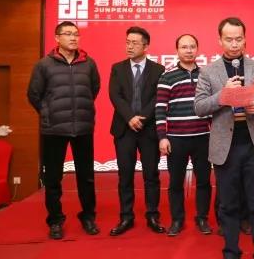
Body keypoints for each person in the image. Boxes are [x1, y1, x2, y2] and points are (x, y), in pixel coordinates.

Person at [194, 17, 254, 259]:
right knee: (228, 206)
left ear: (245, 39)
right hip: (225, 147)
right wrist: (223, 96)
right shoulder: (209, 72)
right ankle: (231, 254)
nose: (234, 44)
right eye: (229, 39)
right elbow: (199, 107)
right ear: (219, 40)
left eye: (238, 39)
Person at [27, 21, 101, 240]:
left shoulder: (88, 64)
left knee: (86, 177)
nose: (73, 37)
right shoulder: (44, 65)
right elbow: (33, 94)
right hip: (54, 129)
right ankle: (55, 220)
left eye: (76, 34)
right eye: (68, 34)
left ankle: (88, 217)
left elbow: (93, 89)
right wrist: (48, 113)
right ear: (57, 38)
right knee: (53, 178)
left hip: (82, 127)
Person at [108, 26, 165, 236]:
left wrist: (143, 117)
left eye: (134, 43)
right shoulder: (117, 68)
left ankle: (152, 215)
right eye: (127, 42)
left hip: (148, 130)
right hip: (124, 129)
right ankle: (126, 216)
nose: (129, 46)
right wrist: (130, 117)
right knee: (125, 175)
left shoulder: (158, 70)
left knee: (151, 175)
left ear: (145, 46)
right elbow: (115, 96)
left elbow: (158, 97)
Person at [156, 34, 212, 236]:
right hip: (176, 139)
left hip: (203, 137)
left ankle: (202, 218)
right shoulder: (167, 76)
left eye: (192, 46)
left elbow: (212, 106)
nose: (188, 50)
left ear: (197, 49)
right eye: (184, 47)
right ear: (177, 50)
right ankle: (177, 220)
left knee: (204, 181)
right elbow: (160, 108)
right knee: (176, 183)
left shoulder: (206, 75)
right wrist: (162, 137)